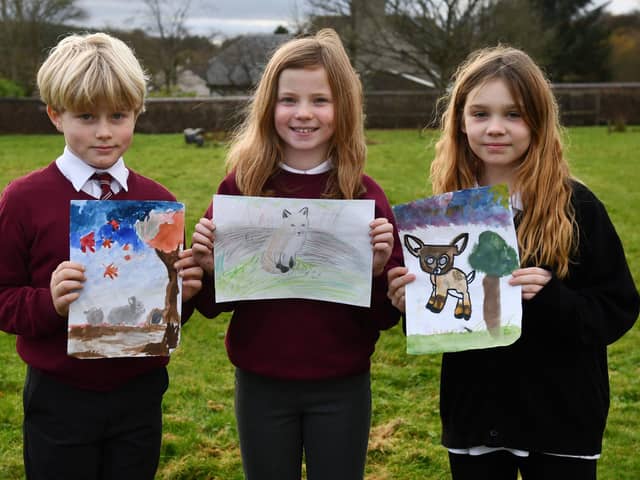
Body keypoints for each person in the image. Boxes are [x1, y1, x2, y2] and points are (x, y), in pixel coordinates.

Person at [387, 46, 639, 480]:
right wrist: (408, 304)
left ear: (538, 122)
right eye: (480, 113)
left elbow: (617, 310)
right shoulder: (445, 215)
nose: (495, 128)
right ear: (460, 122)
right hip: (477, 416)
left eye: (514, 115)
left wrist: (551, 297)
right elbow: (442, 324)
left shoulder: (577, 208)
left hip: (562, 420)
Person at [191, 28, 403, 480]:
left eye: (320, 101)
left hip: (342, 384)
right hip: (261, 383)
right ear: (269, 107)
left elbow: (386, 317)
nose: (303, 113)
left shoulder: (364, 196)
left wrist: (379, 272)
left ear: (343, 108)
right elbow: (213, 305)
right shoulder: (240, 187)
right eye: (289, 100)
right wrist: (210, 269)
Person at [0, 32, 203, 480]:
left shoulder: (158, 203)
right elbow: (3, 297)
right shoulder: (23, 200)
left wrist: (181, 297)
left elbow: (163, 318)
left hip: (139, 393)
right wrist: (48, 303)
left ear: (137, 113)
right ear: (56, 115)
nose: (105, 131)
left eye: (119, 115)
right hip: (60, 395)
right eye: (86, 116)